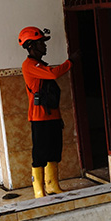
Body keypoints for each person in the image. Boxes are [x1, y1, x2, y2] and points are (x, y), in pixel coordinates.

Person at [19, 26, 72, 198]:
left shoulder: (40, 65)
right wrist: (71, 62)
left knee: (54, 150)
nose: (45, 45)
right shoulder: (30, 65)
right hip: (39, 117)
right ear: (31, 46)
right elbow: (54, 74)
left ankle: (52, 185)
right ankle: (39, 190)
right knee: (40, 153)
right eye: (41, 42)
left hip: (52, 115)